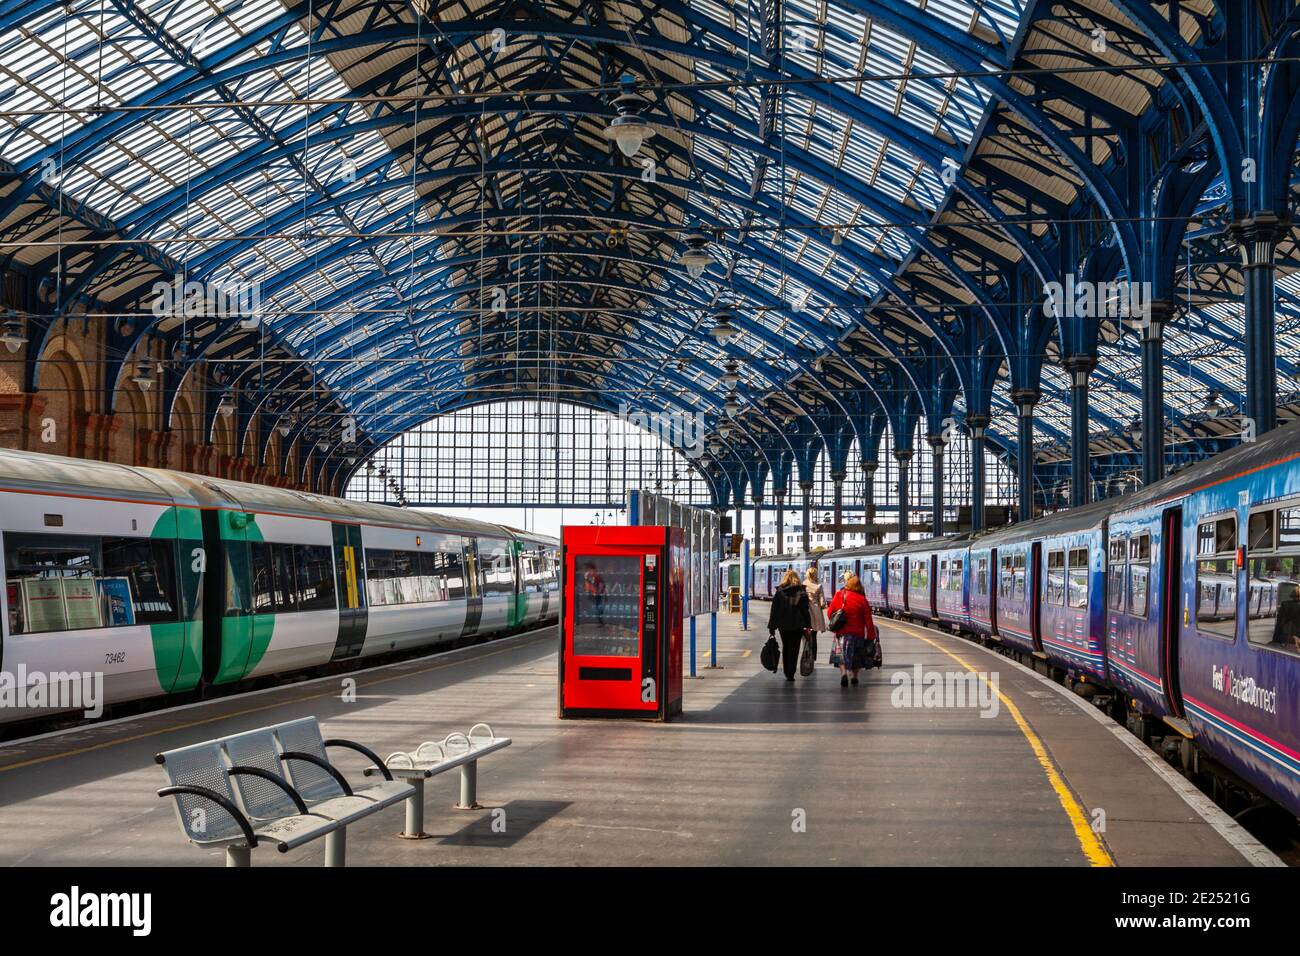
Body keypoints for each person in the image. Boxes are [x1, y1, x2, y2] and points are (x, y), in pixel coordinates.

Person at [828, 572, 876, 687]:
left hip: (841, 633)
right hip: (857, 634)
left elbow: (830, 613)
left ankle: (844, 674)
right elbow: (868, 620)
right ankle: (854, 677)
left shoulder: (840, 595)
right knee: (856, 656)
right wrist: (871, 636)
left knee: (841, 655)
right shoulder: (862, 599)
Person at [767, 568, 812, 682]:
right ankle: (791, 672)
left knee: (786, 647)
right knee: (795, 648)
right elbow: (805, 611)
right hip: (798, 625)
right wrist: (808, 626)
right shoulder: (801, 591)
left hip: (783, 625)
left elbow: (774, 610)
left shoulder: (780, 592)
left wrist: (772, 627)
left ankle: (787, 672)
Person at [804, 565, 826, 659]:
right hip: (816, 612)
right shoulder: (818, 586)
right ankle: (813, 656)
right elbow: (822, 602)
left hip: (805, 611)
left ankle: (805, 654)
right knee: (814, 635)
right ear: (815, 575)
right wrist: (823, 605)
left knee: (805, 635)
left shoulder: (803, 585)